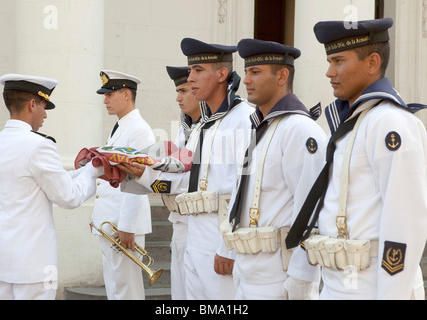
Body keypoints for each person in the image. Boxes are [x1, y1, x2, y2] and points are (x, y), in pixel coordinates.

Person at [286, 18, 427, 300]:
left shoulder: (390, 123)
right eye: (329, 61)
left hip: (372, 287)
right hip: (338, 284)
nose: (328, 72)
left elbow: (405, 222)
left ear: (372, 63)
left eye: (338, 61)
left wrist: (391, 296)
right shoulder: (352, 122)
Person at [118, 38, 254, 300]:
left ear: (222, 74)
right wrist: (141, 173)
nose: (190, 78)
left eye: (198, 70)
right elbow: (189, 182)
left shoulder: (245, 119)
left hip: (219, 238)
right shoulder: (204, 125)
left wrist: (229, 247)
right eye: (191, 71)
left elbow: (247, 187)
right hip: (193, 234)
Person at [0, 74, 103, 300]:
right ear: (31, 104)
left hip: (2, 258)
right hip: (34, 265)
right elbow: (68, 197)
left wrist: (80, 171)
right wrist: (94, 171)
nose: (45, 115)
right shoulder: (39, 145)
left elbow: (35, 183)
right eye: (44, 106)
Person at [225, 39, 327, 300]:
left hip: (279, 278)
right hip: (247, 273)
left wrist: (302, 280)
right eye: (246, 72)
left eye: (255, 72)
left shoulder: (300, 130)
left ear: (282, 76)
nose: (246, 80)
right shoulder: (258, 128)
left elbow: (312, 211)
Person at [91, 70, 155, 300]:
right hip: (112, 220)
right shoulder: (120, 126)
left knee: (126, 289)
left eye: (109, 94)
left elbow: (138, 180)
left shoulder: (138, 129)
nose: (105, 101)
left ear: (126, 94)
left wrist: (127, 225)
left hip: (123, 224)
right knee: (116, 286)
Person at [164, 66, 201, 300]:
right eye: (177, 91)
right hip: (178, 219)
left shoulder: (211, 128)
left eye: (184, 91)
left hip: (198, 223)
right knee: (179, 293)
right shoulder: (186, 128)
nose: (178, 98)